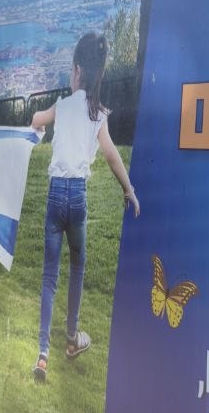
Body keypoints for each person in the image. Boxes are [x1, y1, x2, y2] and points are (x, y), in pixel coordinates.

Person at [30, 32, 139, 382]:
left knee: (49, 275)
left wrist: (38, 126)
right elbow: (111, 154)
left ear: (77, 70)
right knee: (77, 267)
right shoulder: (98, 114)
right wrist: (128, 190)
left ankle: (42, 354)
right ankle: (72, 338)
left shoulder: (62, 106)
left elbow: (36, 120)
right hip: (77, 197)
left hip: (54, 195)